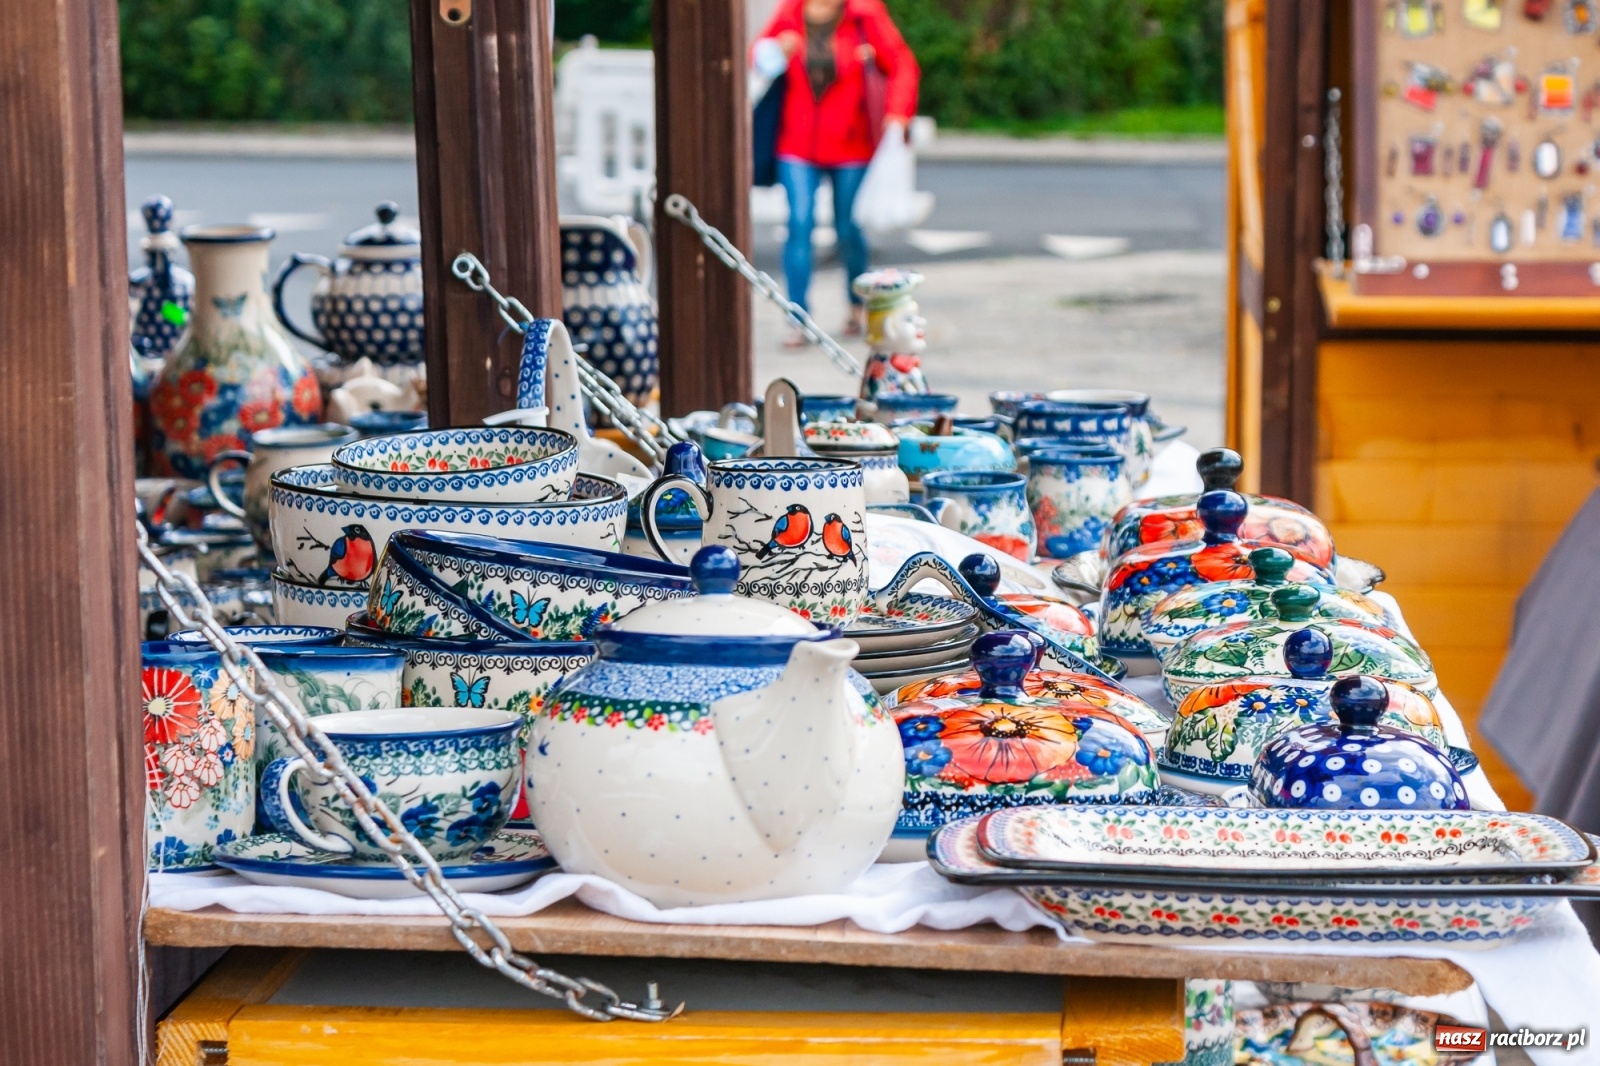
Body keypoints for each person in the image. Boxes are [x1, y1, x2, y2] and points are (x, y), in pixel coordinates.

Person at [751, 0, 919, 347]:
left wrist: (897, 113)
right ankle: (798, 318)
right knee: (799, 223)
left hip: (852, 144)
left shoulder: (864, 14)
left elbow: (903, 64)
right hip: (796, 143)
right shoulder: (791, 13)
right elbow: (758, 56)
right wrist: (776, 51)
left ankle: (858, 304)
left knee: (849, 228)